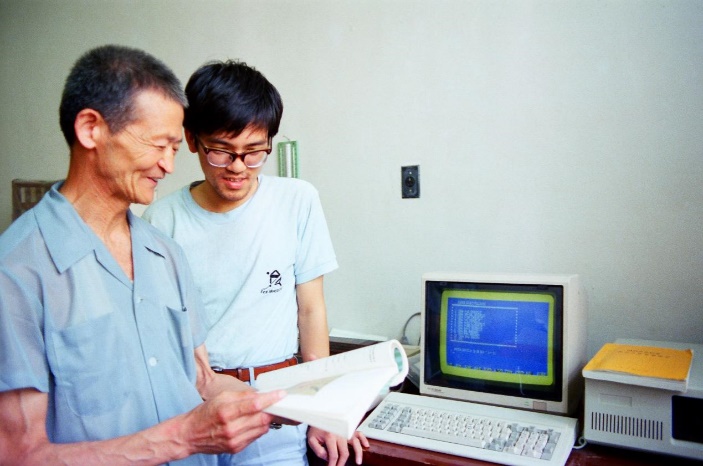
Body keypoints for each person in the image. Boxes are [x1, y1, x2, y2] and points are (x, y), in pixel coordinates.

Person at [0, 45, 286, 466]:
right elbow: (17, 454)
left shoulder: (165, 253)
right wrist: (180, 439)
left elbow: (202, 380)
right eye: (159, 145)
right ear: (91, 129)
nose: (169, 166)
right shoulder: (17, 271)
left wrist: (304, 406)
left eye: (175, 148)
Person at [142, 60, 368, 466]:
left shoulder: (297, 201)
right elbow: (161, 334)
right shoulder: (162, 220)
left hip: (278, 409)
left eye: (253, 153)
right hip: (196, 408)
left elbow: (311, 310)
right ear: (192, 140)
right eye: (221, 152)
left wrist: (322, 408)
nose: (237, 168)